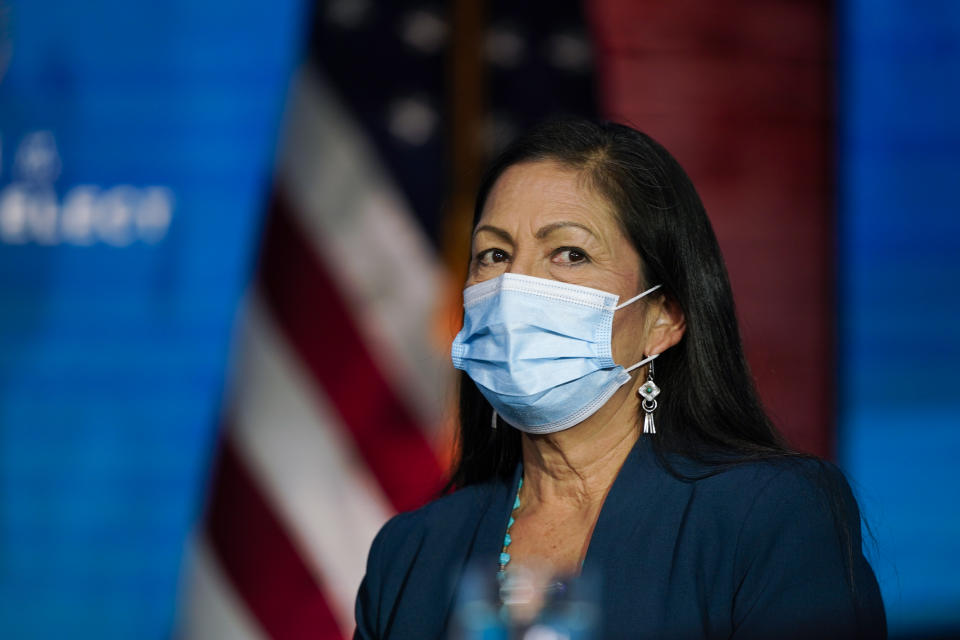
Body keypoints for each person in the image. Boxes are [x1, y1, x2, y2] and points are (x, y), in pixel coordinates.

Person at [353, 119, 886, 639]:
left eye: (570, 254)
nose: (515, 287)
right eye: (494, 254)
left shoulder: (770, 516)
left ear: (665, 319)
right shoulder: (409, 553)